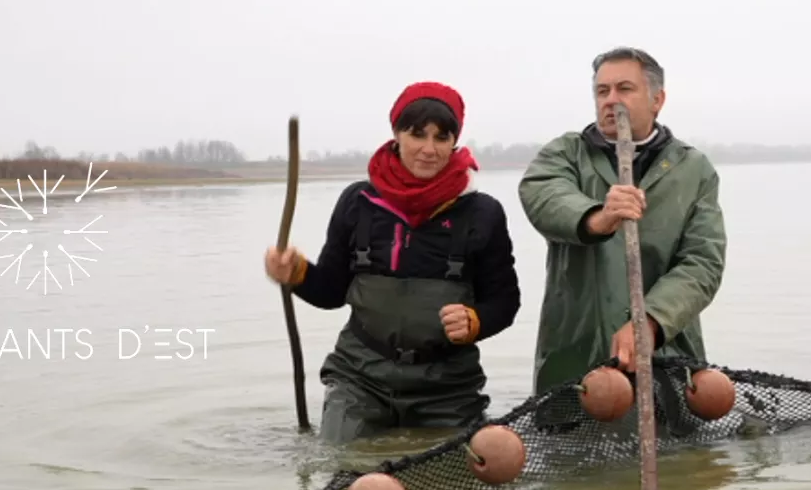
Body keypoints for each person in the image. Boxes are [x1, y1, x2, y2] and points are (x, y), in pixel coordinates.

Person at [264, 81, 521, 443]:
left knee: (473, 473)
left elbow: (505, 303)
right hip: (360, 377)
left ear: (454, 142)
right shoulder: (358, 202)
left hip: (448, 385)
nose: (429, 149)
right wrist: (296, 274)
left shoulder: (483, 212)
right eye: (417, 135)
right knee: (344, 473)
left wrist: (475, 321)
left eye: (441, 138)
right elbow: (331, 293)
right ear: (396, 134)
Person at [518, 47, 727, 396]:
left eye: (624, 89)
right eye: (602, 91)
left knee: (685, 438)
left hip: (670, 356)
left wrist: (651, 321)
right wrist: (599, 217)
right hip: (574, 357)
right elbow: (542, 197)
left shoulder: (694, 169)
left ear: (657, 99)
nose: (611, 100)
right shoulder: (566, 153)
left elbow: (703, 262)